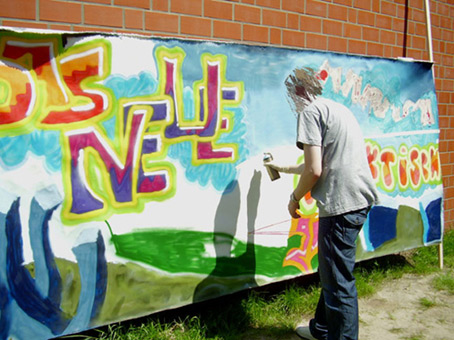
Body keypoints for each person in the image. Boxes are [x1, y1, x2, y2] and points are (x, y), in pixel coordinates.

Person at [266, 67, 379, 340]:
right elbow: (316, 164)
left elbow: (314, 171)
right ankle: (322, 328)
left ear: (298, 93)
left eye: (290, 95)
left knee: (338, 282)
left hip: (341, 204)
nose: (291, 102)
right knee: (333, 270)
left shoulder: (308, 112)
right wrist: (280, 166)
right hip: (358, 200)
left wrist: (294, 199)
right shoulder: (336, 110)